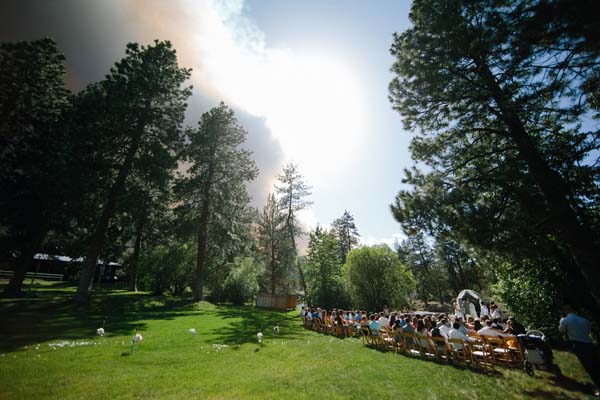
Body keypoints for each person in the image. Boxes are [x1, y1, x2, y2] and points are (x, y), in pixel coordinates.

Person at [559, 305, 600, 396]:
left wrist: (561, 320)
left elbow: (562, 330)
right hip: (589, 344)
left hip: (578, 345)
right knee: (597, 364)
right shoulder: (584, 320)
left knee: (590, 367)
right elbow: (588, 331)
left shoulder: (565, 320)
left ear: (566, 310)